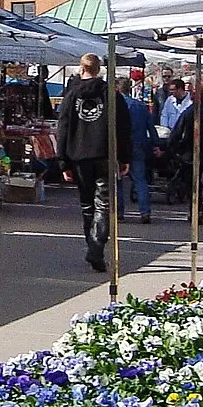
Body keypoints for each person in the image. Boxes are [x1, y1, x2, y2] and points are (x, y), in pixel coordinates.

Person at [55, 54, 133, 271]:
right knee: (104, 204)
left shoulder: (71, 95)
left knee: (87, 205)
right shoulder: (112, 95)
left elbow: (63, 127)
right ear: (99, 70)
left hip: (79, 156)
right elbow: (124, 128)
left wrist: (62, 161)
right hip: (104, 155)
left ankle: (92, 246)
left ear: (81, 68)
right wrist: (125, 157)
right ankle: (96, 248)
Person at [117, 74, 153, 224]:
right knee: (140, 180)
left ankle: (119, 212)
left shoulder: (116, 105)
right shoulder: (140, 106)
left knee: (116, 180)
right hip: (138, 144)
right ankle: (145, 211)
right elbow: (150, 126)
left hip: (120, 145)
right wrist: (155, 144)